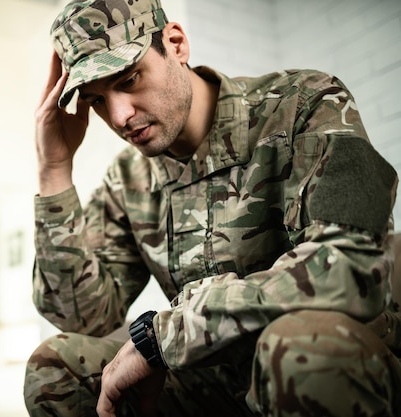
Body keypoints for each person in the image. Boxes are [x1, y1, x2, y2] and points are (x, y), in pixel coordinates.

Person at [23, 0, 401, 416]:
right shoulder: (127, 178)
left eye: (129, 79)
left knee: (298, 350)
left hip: (323, 363)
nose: (119, 116)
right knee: (54, 368)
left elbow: (348, 266)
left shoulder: (304, 102)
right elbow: (84, 319)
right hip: (212, 383)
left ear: (176, 44)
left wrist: (164, 336)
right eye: (96, 100)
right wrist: (54, 171)